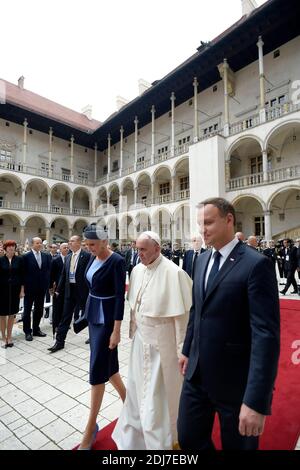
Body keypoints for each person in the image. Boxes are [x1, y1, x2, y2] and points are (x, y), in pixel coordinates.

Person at [177, 197, 280, 451]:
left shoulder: (256, 264)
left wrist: (256, 400)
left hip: (235, 382)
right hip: (197, 375)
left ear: (229, 219)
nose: (203, 230)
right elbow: (197, 310)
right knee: (188, 437)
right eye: (200, 224)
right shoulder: (200, 260)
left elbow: (265, 335)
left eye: (209, 223)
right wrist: (188, 348)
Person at [112, 231, 193, 450]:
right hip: (141, 341)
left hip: (163, 344)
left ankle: (164, 441)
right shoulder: (137, 270)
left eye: (143, 249)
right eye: (137, 249)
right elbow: (135, 306)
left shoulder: (174, 273)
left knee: (158, 396)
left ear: (157, 248)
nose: (138, 254)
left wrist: (182, 351)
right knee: (138, 389)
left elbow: (182, 320)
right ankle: (136, 437)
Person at [78, 224, 126, 450]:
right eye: (87, 245)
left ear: (105, 242)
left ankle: (90, 428)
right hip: (94, 316)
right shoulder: (92, 256)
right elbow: (90, 285)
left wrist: (117, 330)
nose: (89, 249)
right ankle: (130, 403)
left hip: (107, 322)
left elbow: (119, 298)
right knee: (109, 367)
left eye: (93, 245)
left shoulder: (116, 261)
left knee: (97, 370)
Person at [48, 235, 90, 352]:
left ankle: (93, 336)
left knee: (89, 315)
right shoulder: (68, 257)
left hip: (82, 291)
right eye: (69, 241)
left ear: (78, 243)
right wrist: (58, 290)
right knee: (65, 317)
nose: (69, 243)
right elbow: (63, 275)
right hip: (69, 290)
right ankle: (59, 342)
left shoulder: (87, 256)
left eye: (72, 241)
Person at [22, 237, 52, 341]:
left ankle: (36, 329)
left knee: (39, 310)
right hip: (29, 288)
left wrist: (49, 285)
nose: (40, 244)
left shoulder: (46, 256)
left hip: (41, 288)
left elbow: (49, 271)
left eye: (40, 243)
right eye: (37, 243)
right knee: (27, 310)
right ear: (32, 244)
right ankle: (27, 331)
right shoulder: (26, 257)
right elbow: (23, 273)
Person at [0, 240, 24, 347]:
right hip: (2, 290)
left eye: (13, 246)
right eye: (9, 246)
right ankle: (3, 336)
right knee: (2, 314)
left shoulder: (19, 260)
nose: (11, 248)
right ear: (5, 248)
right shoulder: (0, 260)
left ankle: (9, 337)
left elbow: (22, 276)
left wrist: (22, 290)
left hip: (15, 290)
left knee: (11, 314)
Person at [49, 242, 69, 335]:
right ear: (60, 250)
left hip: (68, 287)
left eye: (67, 247)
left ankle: (64, 324)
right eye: (64, 247)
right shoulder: (55, 260)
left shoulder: (70, 259)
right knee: (57, 307)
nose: (66, 249)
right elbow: (51, 275)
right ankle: (56, 325)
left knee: (66, 307)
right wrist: (51, 288)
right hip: (58, 288)